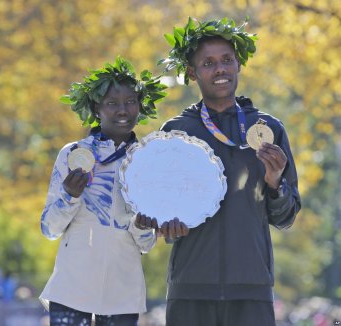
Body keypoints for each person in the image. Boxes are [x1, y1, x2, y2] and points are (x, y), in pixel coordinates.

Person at [158, 17, 301, 326]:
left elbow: (286, 217)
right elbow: (159, 208)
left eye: (226, 60)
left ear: (239, 65)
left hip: (251, 290)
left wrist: (276, 182)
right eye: (208, 63)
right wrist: (163, 222)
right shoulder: (176, 132)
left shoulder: (268, 129)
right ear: (192, 73)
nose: (220, 69)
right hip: (189, 289)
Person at [39, 56, 165, 326]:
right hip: (71, 289)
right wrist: (69, 197)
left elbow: (147, 244)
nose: (122, 110)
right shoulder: (72, 154)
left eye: (130, 102)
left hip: (123, 293)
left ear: (140, 107)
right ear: (96, 108)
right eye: (112, 103)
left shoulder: (147, 162)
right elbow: (49, 229)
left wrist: (141, 225)